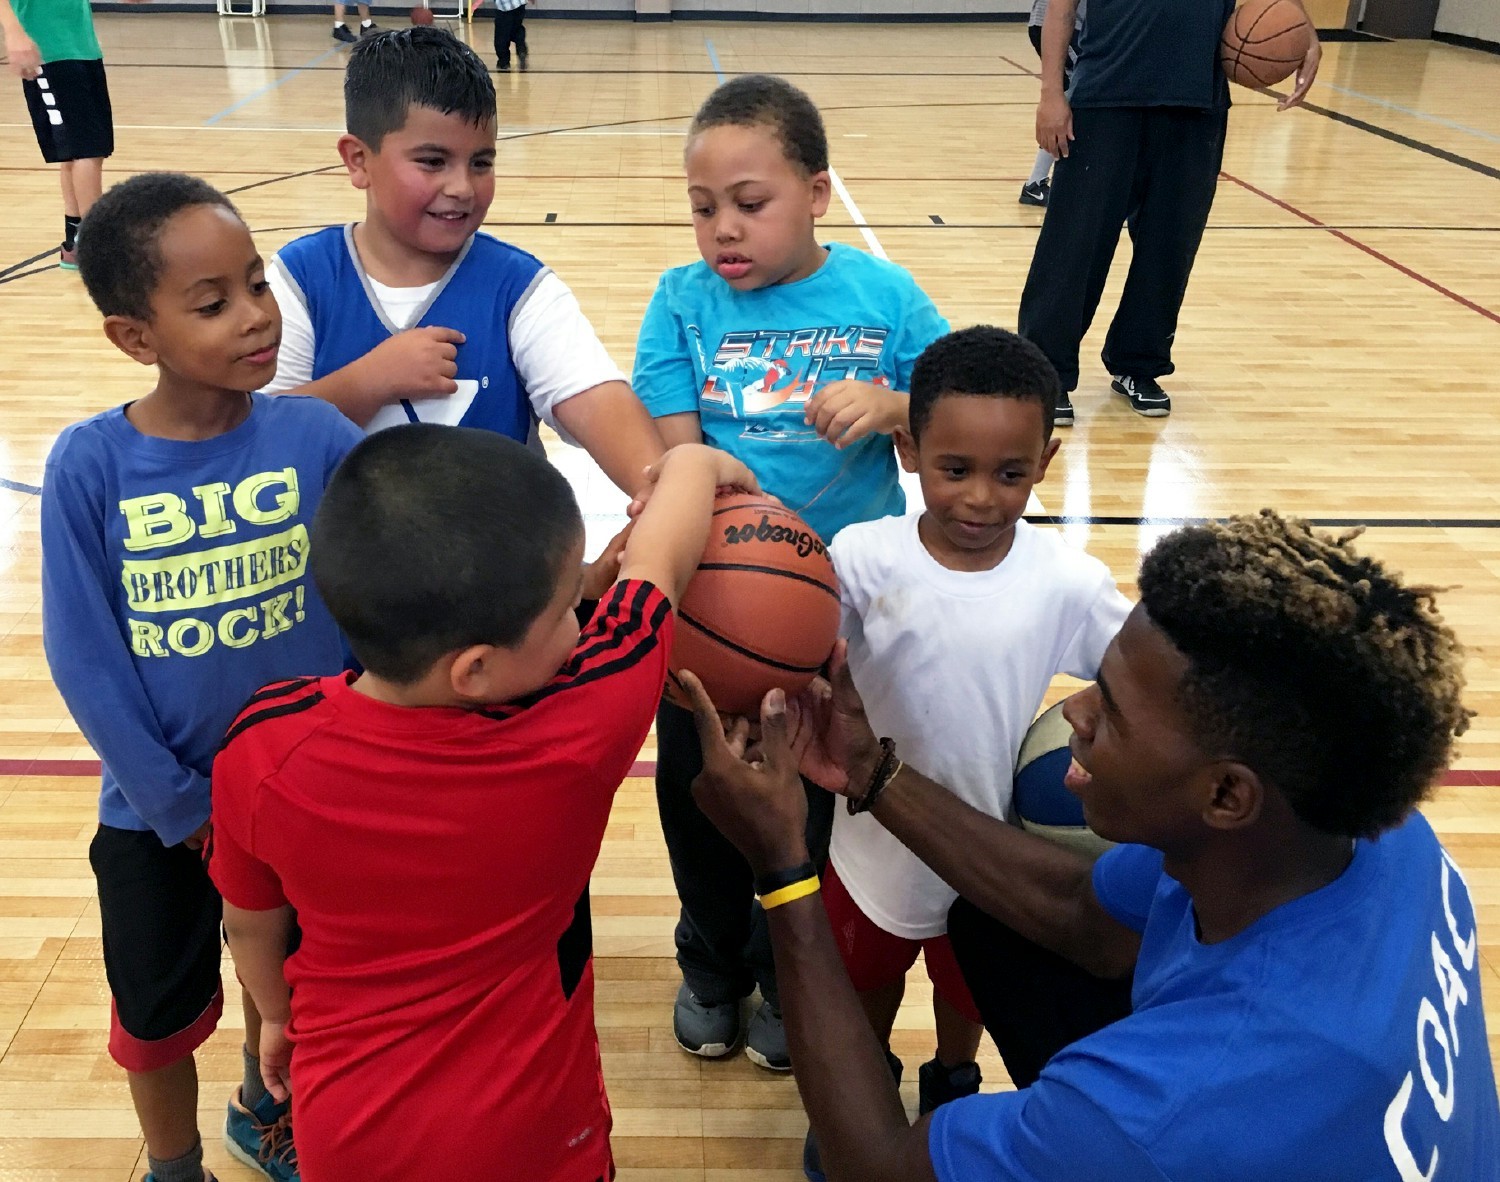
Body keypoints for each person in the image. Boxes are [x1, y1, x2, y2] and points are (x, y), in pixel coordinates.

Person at [680, 509, 1500, 1181]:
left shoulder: (1167, 1114)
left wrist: (785, 869)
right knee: (992, 926)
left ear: (1225, 794)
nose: (1073, 715)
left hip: (1194, 1121)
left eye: (1108, 709)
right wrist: (869, 772)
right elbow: (1082, 915)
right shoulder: (1368, 831)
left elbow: (876, 1169)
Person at [206, 426, 757, 1182]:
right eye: (567, 609)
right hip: (534, 1133)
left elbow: (249, 921)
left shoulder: (265, 744)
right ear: (474, 670)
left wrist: (275, 1013)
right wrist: (700, 461)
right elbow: (658, 565)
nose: (579, 623)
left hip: (345, 1127)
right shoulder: (578, 729)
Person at [40, 173, 364, 1182]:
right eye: (214, 302)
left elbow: (389, 584)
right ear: (135, 338)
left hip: (309, 798)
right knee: (157, 1015)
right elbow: (83, 657)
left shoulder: (316, 436)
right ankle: (171, 1163)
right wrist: (180, 805)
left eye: (258, 285)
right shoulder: (90, 464)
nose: (257, 316)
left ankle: (268, 1108)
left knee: (302, 995)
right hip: (158, 814)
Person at [631, 73, 950, 1071]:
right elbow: (676, 463)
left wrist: (897, 408)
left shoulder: (886, 300)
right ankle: (711, 965)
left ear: (816, 193)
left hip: (834, 623)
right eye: (702, 207)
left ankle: (783, 975)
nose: (723, 228)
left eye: (749, 204)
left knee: (811, 814)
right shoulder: (681, 304)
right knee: (702, 802)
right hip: (712, 618)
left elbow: (961, 425)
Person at [803, 325, 1130, 1179]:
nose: (982, 497)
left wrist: (1109, 716)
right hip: (868, 850)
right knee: (864, 986)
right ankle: (862, 1094)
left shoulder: (1064, 579)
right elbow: (802, 661)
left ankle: (951, 1080)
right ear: (909, 450)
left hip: (991, 856)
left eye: (1010, 473)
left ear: (1046, 460)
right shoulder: (861, 559)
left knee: (968, 990)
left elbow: (1144, 669)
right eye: (956, 470)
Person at [263, 28, 662, 501]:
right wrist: (368, 381)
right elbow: (259, 439)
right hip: (343, 572)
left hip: (503, 569)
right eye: (433, 161)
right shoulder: (300, 280)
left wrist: (665, 493)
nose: (463, 187)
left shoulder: (520, 289)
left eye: (481, 162)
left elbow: (598, 402)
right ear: (358, 160)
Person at [1017, 0, 1320, 426]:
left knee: (1169, 248)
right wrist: (1051, 93)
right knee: (1074, 245)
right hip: (1106, 96)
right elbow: (1061, 10)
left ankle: (1138, 363)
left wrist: (1305, 32)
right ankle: (1044, 373)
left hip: (1196, 103)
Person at [0, 0, 114, 269]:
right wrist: (14, 32)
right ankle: (97, 250)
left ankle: (76, 243)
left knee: (78, 151)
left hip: (81, 47)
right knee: (87, 150)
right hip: (47, 51)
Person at [1018, 0, 1084, 207]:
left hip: (1064, 25)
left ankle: (1036, 182)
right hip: (1060, 26)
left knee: (1071, 100)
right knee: (1077, 99)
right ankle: (1036, 183)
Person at [492, 0, 528, 71]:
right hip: (520, 4)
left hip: (504, 7)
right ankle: (521, 48)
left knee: (501, 36)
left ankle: (504, 62)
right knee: (517, 29)